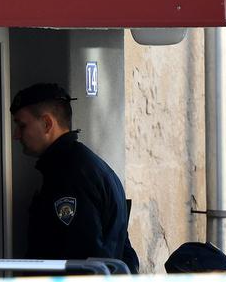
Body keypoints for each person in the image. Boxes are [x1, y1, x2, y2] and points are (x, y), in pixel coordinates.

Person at [11, 83, 139, 272]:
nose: (16, 135)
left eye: (22, 125)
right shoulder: (82, 166)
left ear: (47, 123)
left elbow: (83, 258)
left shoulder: (70, 175)